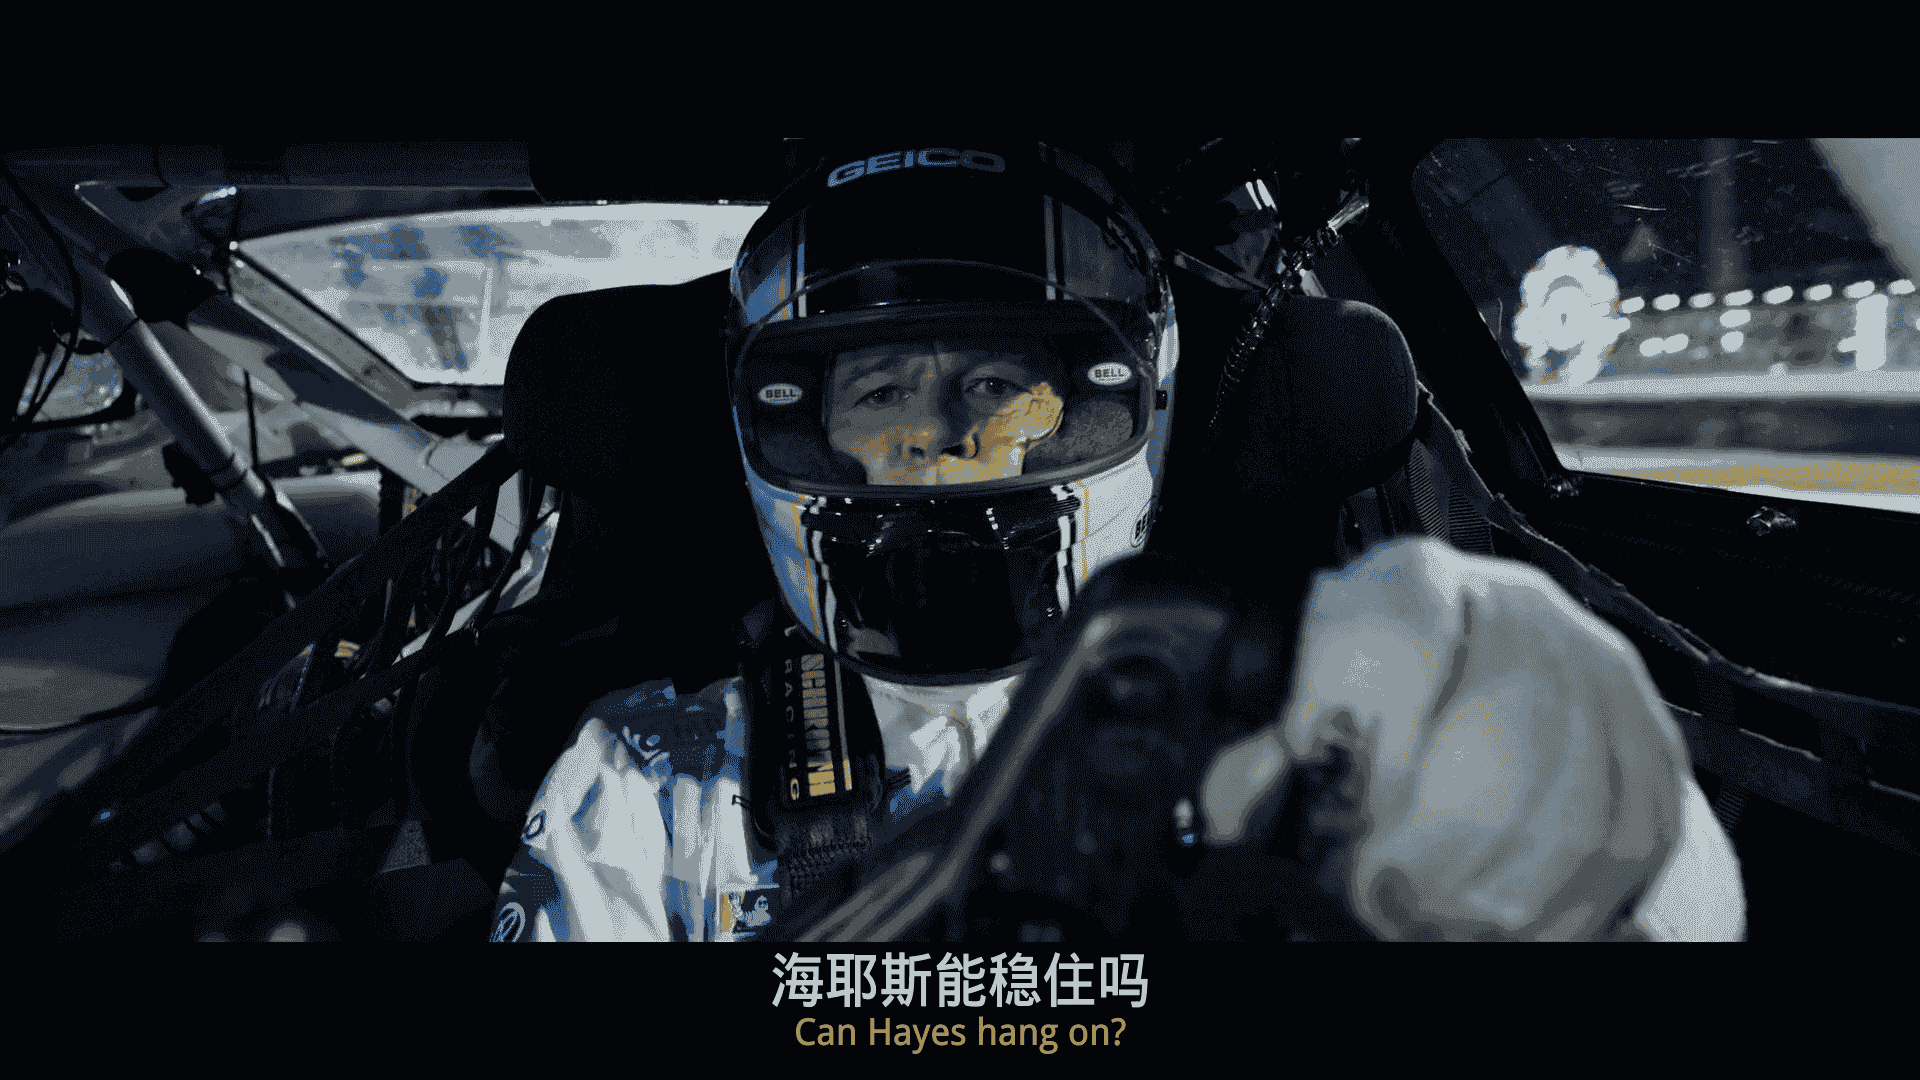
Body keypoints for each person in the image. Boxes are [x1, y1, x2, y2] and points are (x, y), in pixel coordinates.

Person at [486, 141, 1745, 942]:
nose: (941, 437)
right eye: (879, 391)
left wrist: (1587, 786)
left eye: (999, 386)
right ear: (795, 427)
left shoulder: (1314, 715)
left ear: (1109, 409)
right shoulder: (644, 778)